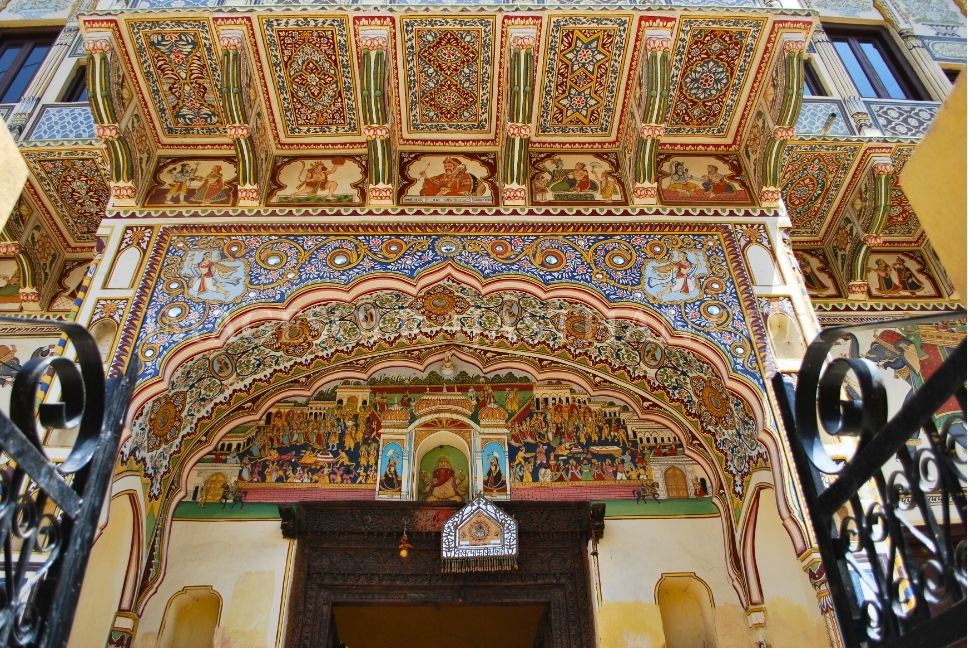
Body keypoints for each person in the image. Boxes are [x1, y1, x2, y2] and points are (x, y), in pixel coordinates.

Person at [419, 157, 485, 196]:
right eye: (445, 166)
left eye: (449, 166)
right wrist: (425, 177)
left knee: (448, 195)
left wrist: (450, 190)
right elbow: (434, 187)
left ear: (456, 167)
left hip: (455, 193)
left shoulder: (463, 175)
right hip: (442, 193)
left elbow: (467, 187)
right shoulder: (441, 176)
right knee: (423, 191)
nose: (447, 168)